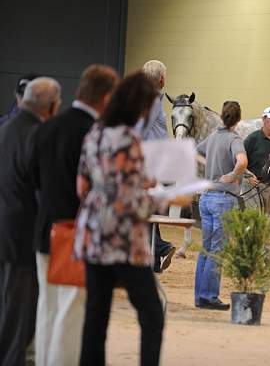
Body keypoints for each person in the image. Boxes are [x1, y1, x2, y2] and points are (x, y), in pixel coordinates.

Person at [74, 72, 190, 365]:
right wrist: (168, 197)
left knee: (95, 318)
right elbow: (132, 202)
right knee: (151, 314)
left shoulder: (95, 133)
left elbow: (82, 186)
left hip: (93, 235)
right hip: (123, 240)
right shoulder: (130, 140)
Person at [31, 64, 118, 366]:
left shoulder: (45, 126)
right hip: (76, 234)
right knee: (71, 315)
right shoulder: (95, 133)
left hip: (44, 231)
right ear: (106, 97)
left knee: (48, 308)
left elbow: (34, 180)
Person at [0, 77, 62, 366]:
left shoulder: (6, 128)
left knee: (8, 302)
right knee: (20, 307)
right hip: (23, 232)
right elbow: (45, 188)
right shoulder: (38, 134)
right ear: (51, 106)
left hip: (5, 226)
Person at [195, 100, 248, 311]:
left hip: (206, 198)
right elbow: (242, 161)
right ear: (238, 118)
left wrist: (208, 167)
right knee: (218, 249)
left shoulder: (213, 136)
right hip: (223, 198)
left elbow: (195, 151)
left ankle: (200, 295)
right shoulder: (234, 139)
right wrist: (233, 175)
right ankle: (209, 296)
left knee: (206, 249)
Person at [141, 59, 176, 273]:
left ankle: (154, 259)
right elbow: (141, 132)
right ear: (161, 80)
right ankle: (161, 248)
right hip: (151, 167)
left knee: (149, 211)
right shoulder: (151, 102)